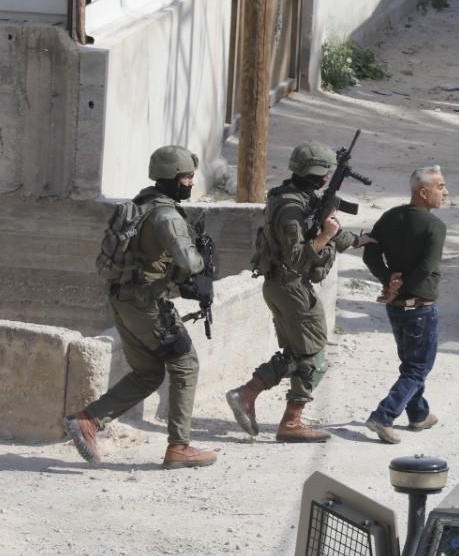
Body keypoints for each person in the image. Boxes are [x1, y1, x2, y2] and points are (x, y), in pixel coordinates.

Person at [64, 146, 217, 469]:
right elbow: (188, 263)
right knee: (185, 364)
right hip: (148, 304)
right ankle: (179, 447)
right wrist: (203, 256)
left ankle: (88, 421)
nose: (191, 182)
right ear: (174, 178)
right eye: (187, 177)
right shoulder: (167, 216)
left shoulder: (140, 204)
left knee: (148, 373)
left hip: (124, 299)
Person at [226, 143, 365, 444]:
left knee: (297, 354)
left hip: (282, 287)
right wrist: (327, 235)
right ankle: (292, 422)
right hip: (292, 289)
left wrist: (359, 239)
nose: (328, 178)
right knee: (314, 360)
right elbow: (299, 258)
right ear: (320, 175)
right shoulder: (291, 209)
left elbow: (320, 229)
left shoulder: (294, 197)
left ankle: (246, 393)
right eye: (326, 173)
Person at [362, 166, 449, 444]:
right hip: (420, 307)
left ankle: (418, 414)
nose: (445, 192)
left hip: (397, 307)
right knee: (418, 367)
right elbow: (426, 268)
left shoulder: (390, 218)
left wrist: (389, 281)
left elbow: (371, 250)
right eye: (440, 187)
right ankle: (384, 416)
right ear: (423, 193)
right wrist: (398, 287)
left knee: (411, 363)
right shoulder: (435, 226)